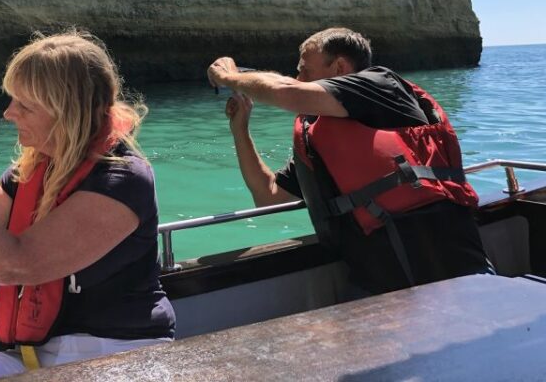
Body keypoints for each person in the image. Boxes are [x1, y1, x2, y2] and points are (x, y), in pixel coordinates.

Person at [0, 31, 175, 382]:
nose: (9, 113)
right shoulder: (25, 175)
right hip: (31, 360)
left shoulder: (124, 179)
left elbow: (16, 265)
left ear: (67, 110)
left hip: (116, 355)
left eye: (25, 105)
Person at [207, 27, 492, 296]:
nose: (298, 78)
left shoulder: (380, 85)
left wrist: (229, 77)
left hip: (452, 273)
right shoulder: (319, 139)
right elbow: (267, 196)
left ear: (340, 69)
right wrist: (239, 129)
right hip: (376, 287)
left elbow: (287, 92)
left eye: (305, 70)